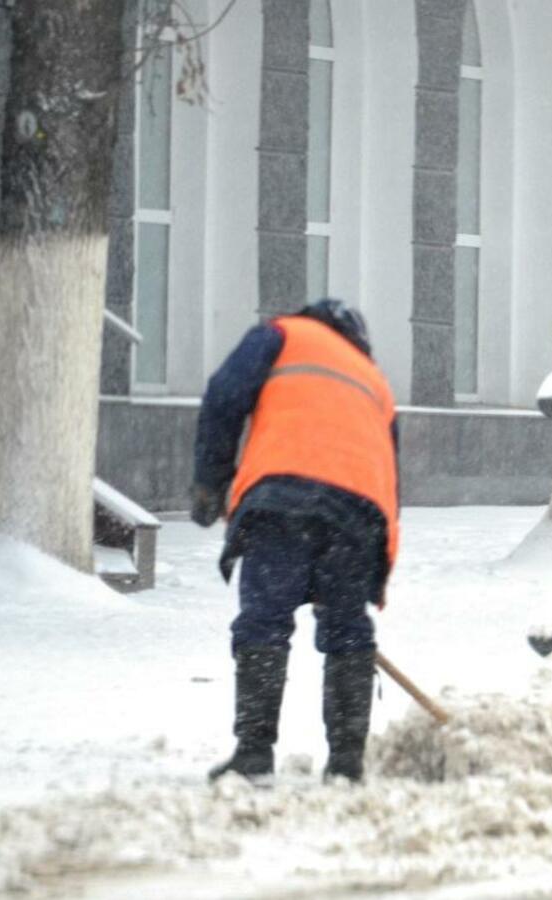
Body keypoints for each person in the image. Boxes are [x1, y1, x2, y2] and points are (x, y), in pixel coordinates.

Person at [192, 299, 400, 782]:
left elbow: (225, 394)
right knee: (347, 629)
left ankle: (254, 754)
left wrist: (210, 480)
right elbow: (393, 479)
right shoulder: (374, 379)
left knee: (264, 621)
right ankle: (346, 763)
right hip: (358, 516)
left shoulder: (281, 334)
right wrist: (375, 570)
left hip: (283, 500)